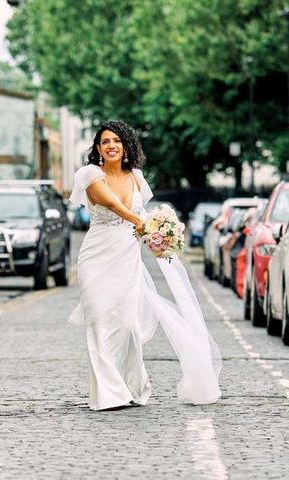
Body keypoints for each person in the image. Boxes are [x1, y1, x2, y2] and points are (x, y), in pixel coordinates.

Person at [69, 120, 221, 411]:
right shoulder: (90, 174)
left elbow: (142, 213)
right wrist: (147, 225)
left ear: (126, 146)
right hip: (96, 256)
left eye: (116, 140)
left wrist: (161, 235)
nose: (111, 145)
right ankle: (108, 394)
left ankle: (132, 386)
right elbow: (113, 205)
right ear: (98, 148)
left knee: (128, 325)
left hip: (127, 256)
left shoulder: (137, 177)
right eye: (105, 141)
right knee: (100, 320)